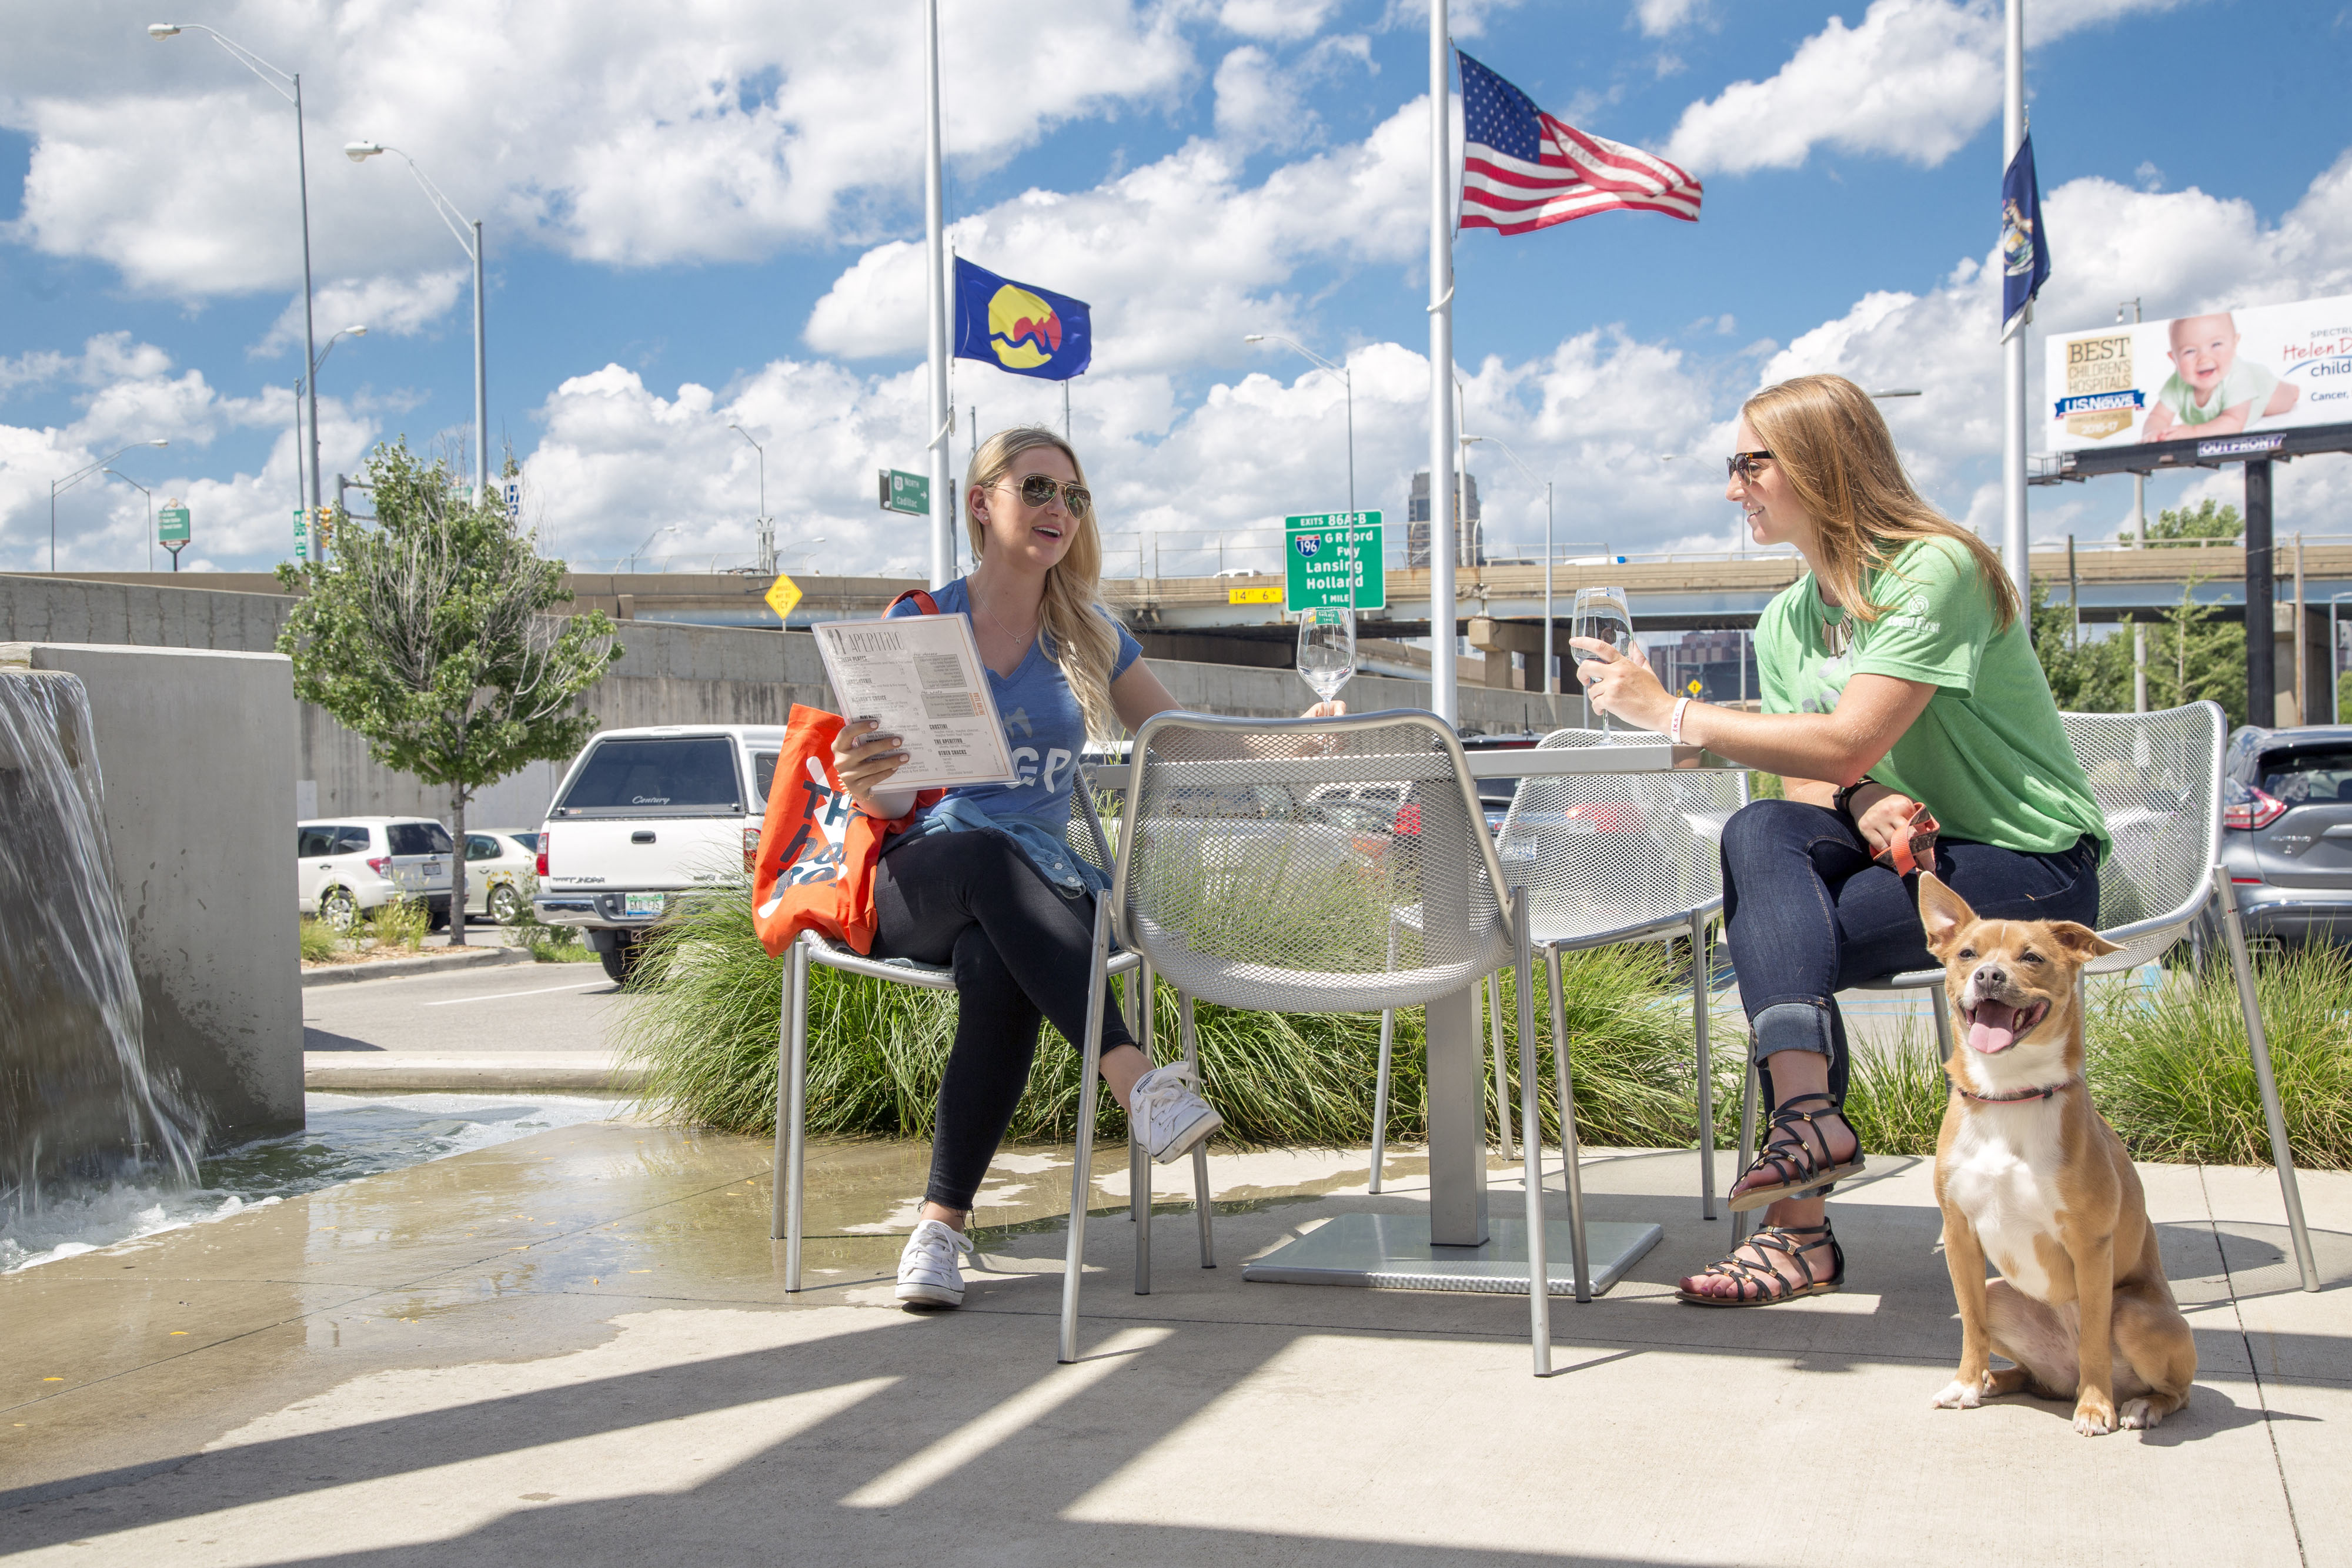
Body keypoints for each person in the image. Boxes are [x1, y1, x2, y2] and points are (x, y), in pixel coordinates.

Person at [1573, 373, 2108, 1306]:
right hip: (1912, 865)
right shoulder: (1787, 616)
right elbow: (1811, 783)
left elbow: (1852, 732)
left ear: (1817, 463)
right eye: (1730, 464)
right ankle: (1811, 1120)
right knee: (1760, 831)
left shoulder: (1933, 570)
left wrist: (1672, 712)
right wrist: (1860, 798)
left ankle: (1799, 1229)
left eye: (1749, 462)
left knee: (1783, 944)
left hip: (2027, 868)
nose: (1731, 485)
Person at [834, 425, 1338, 1312]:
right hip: (919, 875)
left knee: (999, 966)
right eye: (1035, 488)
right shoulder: (918, 623)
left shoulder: (1089, 634)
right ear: (979, 503)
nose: (1057, 509)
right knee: (985, 855)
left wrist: (1298, 741)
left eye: (1073, 495)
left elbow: (1182, 744)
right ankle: (1137, 1081)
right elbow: (883, 805)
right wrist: (864, 779)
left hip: (1029, 897)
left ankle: (939, 1229)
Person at [2139, 310, 2300, 442]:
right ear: (2174, 359)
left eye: (2216, 345)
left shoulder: (2238, 376)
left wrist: (2193, 432)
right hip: (2238, 394)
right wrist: (2154, 434)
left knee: (2280, 402)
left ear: (2235, 343)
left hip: (2261, 388)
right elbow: (2158, 416)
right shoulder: (2177, 383)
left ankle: (2293, 390)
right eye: (2190, 351)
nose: (2204, 358)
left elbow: (2233, 423)